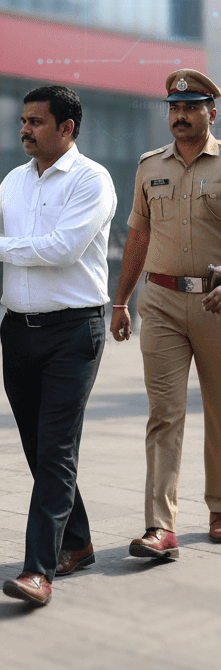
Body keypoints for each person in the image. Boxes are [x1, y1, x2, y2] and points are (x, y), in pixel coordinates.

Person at [0, 84, 116, 607]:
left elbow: (63, 249)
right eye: (23, 121)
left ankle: (38, 571)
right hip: (18, 331)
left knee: (55, 449)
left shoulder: (92, 180)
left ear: (67, 128)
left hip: (74, 331)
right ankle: (79, 542)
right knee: (38, 448)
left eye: (36, 122)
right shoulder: (13, 181)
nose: (24, 129)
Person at [111, 68, 221, 557]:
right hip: (159, 303)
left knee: (220, 412)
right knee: (164, 414)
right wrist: (121, 301)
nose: (180, 115)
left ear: (210, 113)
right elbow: (138, 234)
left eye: (191, 107)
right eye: (174, 108)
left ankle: (219, 507)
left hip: (217, 304)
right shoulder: (148, 165)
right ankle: (161, 526)